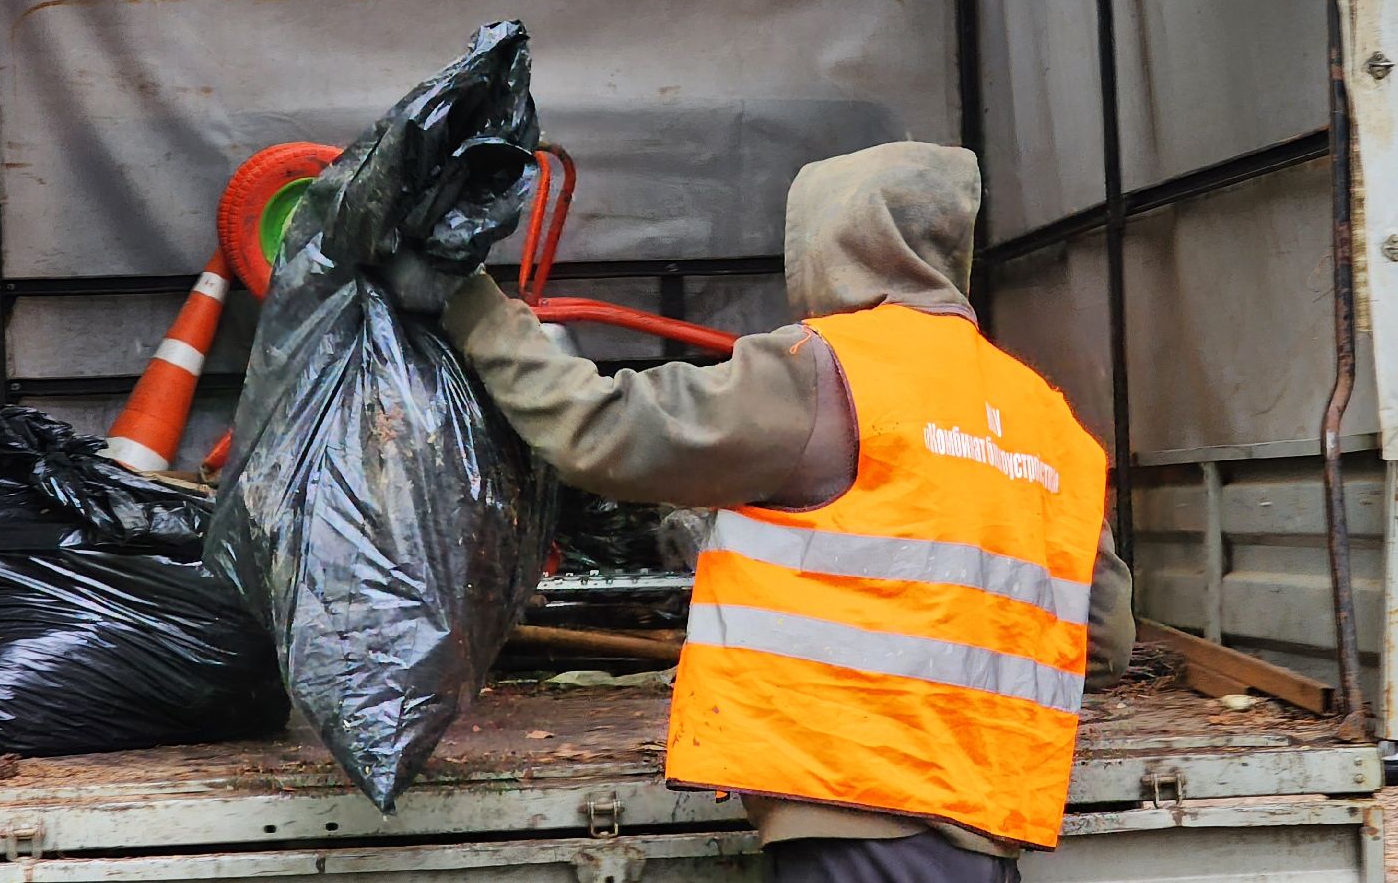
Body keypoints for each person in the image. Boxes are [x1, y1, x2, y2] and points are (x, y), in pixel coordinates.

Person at [435, 141, 1134, 882]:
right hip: (986, 824)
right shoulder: (1047, 419)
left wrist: (475, 310)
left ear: (831, 243)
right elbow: (1105, 637)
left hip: (856, 813)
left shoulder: (822, 371)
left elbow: (602, 431)